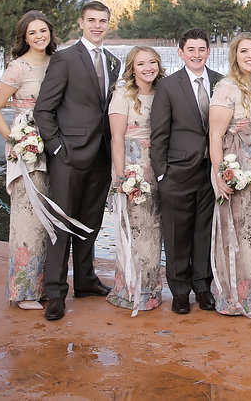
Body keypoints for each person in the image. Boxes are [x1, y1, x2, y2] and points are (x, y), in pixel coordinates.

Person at [34, 1, 120, 322]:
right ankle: (56, 291)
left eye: (103, 21)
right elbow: (44, 109)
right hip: (68, 157)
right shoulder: (65, 59)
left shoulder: (113, 62)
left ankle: (85, 280)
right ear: (81, 23)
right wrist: (56, 148)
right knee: (60, 224)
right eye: (92, 21)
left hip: (101, 156)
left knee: (91, 222)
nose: (98, 26)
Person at [0, 10, 58, 311]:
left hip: (55, 144)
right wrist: (14, 141)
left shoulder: (58, 63)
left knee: (49, 221)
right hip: (27, 149)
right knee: (28, 219)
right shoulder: (18, 68)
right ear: (24, 37)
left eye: (43, 30)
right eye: (32, 32)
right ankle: (24, 291)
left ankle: (46, 285)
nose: (39, 36)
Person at [150, 28, 223, 315]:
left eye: (201, 49)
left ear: (208, 52)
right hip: (176, 173)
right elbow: (159, 133)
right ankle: (180, 290)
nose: (196, 55)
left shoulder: (220, 82)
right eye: (190, 50)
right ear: (180, 53)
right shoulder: (169, 86)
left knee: (205, 232)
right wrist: (161, 175)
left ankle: (203, 287)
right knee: (177, 234)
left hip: (211, 172)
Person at [209, 33, 251, 317]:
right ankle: (234, 295)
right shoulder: (226, 87)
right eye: (244, 51)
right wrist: (220, 174)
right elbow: (215, 134)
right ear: (235, 55)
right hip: (235, 166)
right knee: (235, 230)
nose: (250, 56)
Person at [106, 46, 165, 314]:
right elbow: (117, 139)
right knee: (134, 230)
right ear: (132, 68)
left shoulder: (163, 92)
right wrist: (121, 177)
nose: (148, 68)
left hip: (158, 166)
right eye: (141, 64)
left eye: (152, 62)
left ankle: (151, 291)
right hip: (132, 167)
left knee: (154, 230)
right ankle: (130, 290)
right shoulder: (123, 95)